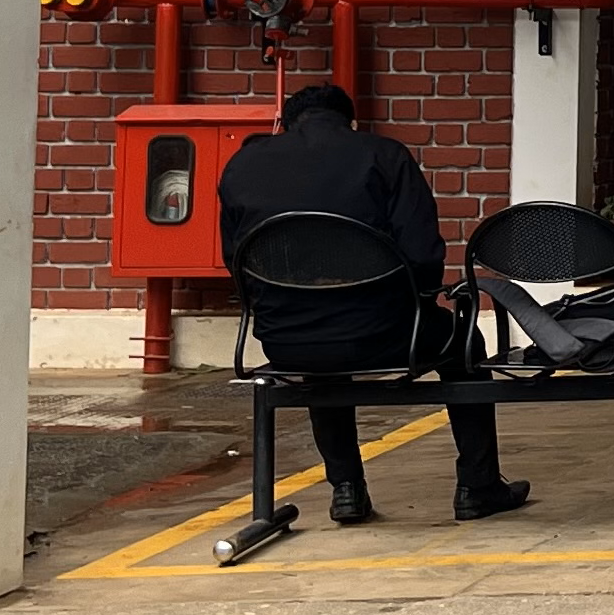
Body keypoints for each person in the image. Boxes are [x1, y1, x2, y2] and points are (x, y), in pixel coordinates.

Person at [215, 81, 527, 526]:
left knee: (319, 357)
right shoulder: (384, 156)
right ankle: (477, 487)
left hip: (286, 341)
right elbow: (423, 257)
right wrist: (412, 303)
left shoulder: (243, 165)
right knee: (465, 340)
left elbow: (236, 261)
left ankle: (346, 488)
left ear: (283, 124)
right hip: (387, 335)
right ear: (352, 122)